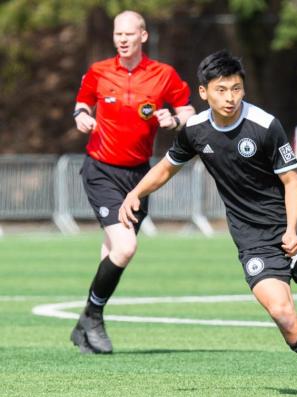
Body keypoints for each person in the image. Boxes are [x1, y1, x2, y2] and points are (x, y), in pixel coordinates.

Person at [119, 50, 297, 397]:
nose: (230, 97)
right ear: (203, 93)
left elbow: (292, 183)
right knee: (281, 311)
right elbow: (168, 167)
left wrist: (291, 231)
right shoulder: (196, 130)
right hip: (252, 238)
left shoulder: (264, 125)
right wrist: (135, 193)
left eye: (236, 88)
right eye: (221, 90)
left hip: (296, 227)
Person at [70, 10, 195, 354]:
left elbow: (188, 111)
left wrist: (173, 119)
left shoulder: (163, 75)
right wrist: (81, 116)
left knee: (113, 251)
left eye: (129, 34)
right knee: (125, 247)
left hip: (139, 177)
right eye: (117, 34)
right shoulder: (98, 71)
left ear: (143, 36)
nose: (122, 40)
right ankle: (93, 317)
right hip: (101, 170)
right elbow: (81, 103)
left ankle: (86, 324)